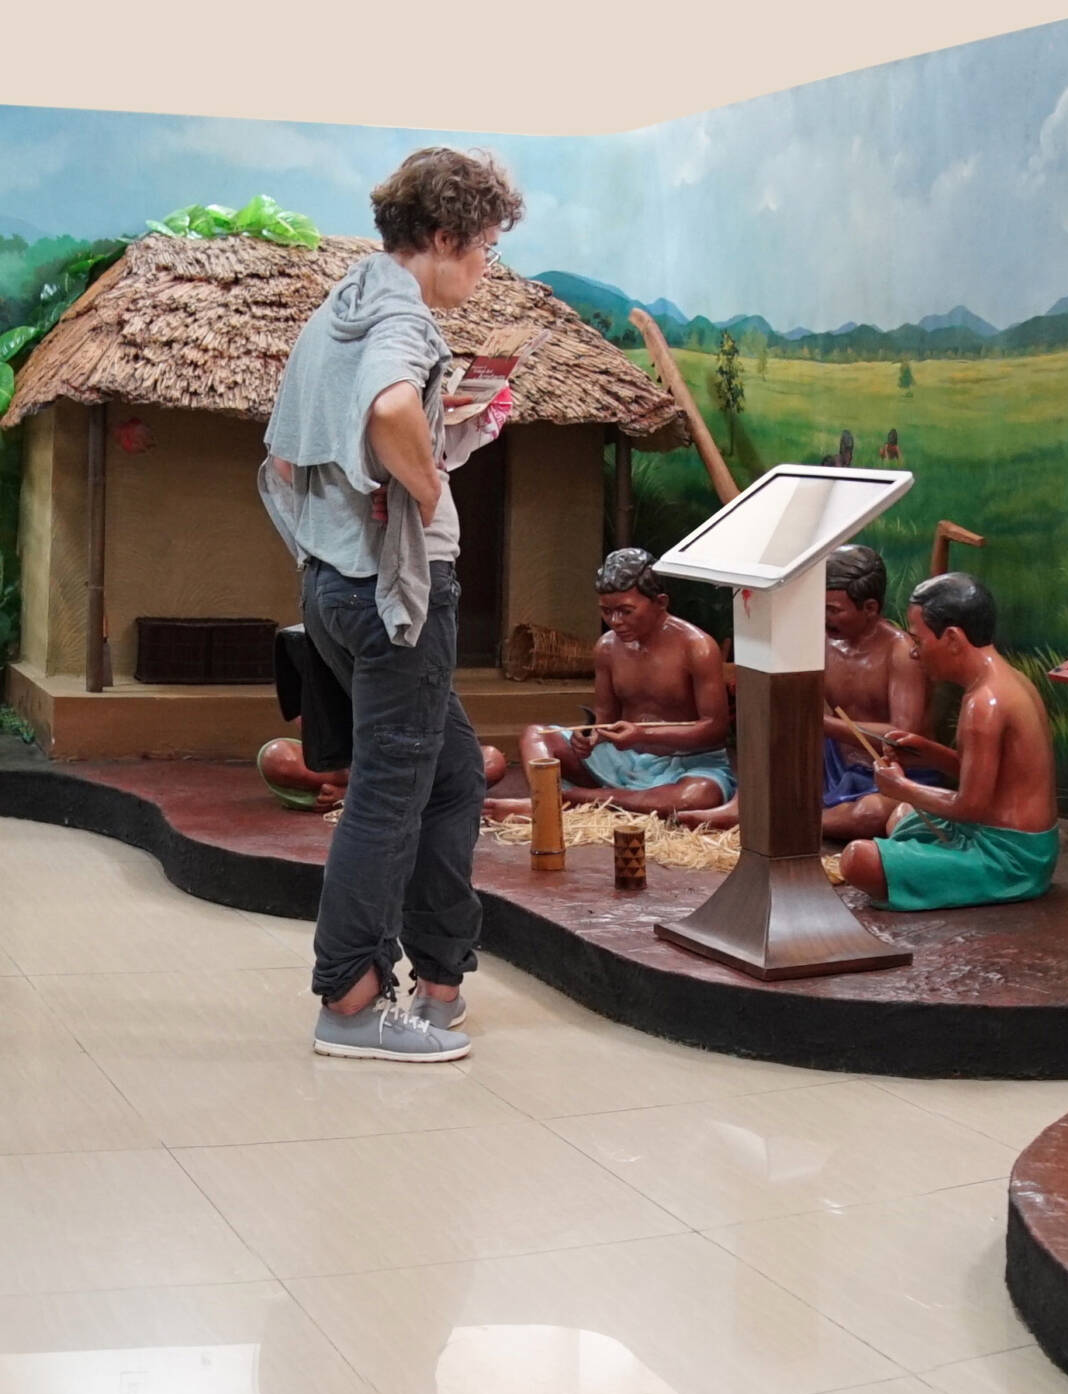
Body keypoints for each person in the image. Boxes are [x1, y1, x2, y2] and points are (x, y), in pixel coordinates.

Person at [257, 147, 522, 1061]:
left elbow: (291, 457)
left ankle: (441, 977)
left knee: (450, 777)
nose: (486, 266)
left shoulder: (341, 307)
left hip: (333, 586)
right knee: (385, 796)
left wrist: (462, 430)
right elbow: (389, 409)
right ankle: (351, 1002)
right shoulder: (403, 320)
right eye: (483, 247)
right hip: (398, 600)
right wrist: (426, 494)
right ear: (443, 237)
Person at [674, 544, 932, 839]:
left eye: (833, 610)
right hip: (835, 762)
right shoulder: (821, 639)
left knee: (869, 814)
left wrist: (822, 724)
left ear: (870, 608)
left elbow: (903, 736)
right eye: (818, 608)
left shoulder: (900, 652)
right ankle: (742, 809)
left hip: (895, 774)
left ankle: (776, 825)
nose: (823, 618)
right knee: (777, 733)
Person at [837, 571, 1058, 910]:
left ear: (953, 639)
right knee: (902, 817)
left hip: (1008, 860)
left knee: (857, 859)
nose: (914, 652)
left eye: (918, 640)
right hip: (1007, 840)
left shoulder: (984, 705)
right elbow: (989, 778)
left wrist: (900, 786)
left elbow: (971, 807)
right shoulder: (1008, 681)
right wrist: (927, 753)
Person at [500, 549, 732, 818]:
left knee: (698, 795)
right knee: (536, 736)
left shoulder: (697, 647)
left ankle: (573, 799)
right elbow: (604, 719)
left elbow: (714, 729)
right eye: (607, 612)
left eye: (626, 611)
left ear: (661, 602)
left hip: (686, 764)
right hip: (622, 759)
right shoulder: (607, 647)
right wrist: (591, 738)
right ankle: (583, 800)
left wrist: (643, 735)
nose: (615, 621)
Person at [257, 735, 504, 812]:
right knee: (276, 757)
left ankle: (366, 790)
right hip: (345, 760)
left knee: (492, 761)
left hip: (410, 764)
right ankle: (366, 788)